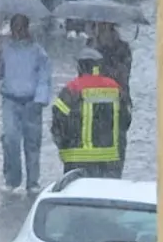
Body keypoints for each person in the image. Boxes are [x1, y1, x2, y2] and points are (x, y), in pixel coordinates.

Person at [0, 14, 54, 194]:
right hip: (10, 100)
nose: (18, 32)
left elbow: (44, 77)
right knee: (10, 139)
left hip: (32, 102)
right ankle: (12, 179)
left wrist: (40, 100)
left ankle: (33, 182)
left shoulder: (38, 52)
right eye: (15, 28)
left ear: (26, 28)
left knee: (32, 143)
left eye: (21, 28)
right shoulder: (5, 50)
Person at [51, 49, 131, 178]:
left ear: (80, 67)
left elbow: (58, 124)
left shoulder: (71, 89)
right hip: (109, 160)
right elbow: (125, 121)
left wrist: (64, 145)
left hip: (76, 160)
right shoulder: (114, 88)